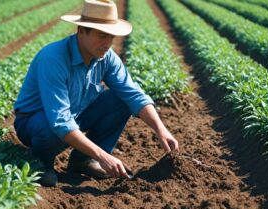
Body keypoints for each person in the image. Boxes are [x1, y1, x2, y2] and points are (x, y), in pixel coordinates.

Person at [13, 0, 179, 187]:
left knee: (122, 100)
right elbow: (60, 121)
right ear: (81, 31)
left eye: (111, 37)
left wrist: (161, 129)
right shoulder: (53, 58)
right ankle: (40, 162)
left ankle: (82, 160)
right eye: (101, 36)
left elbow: (133, 94)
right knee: (52, 128)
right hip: (35, 122)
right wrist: (103, 156)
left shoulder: (106, 57)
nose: (107, 43)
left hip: (75, 115)